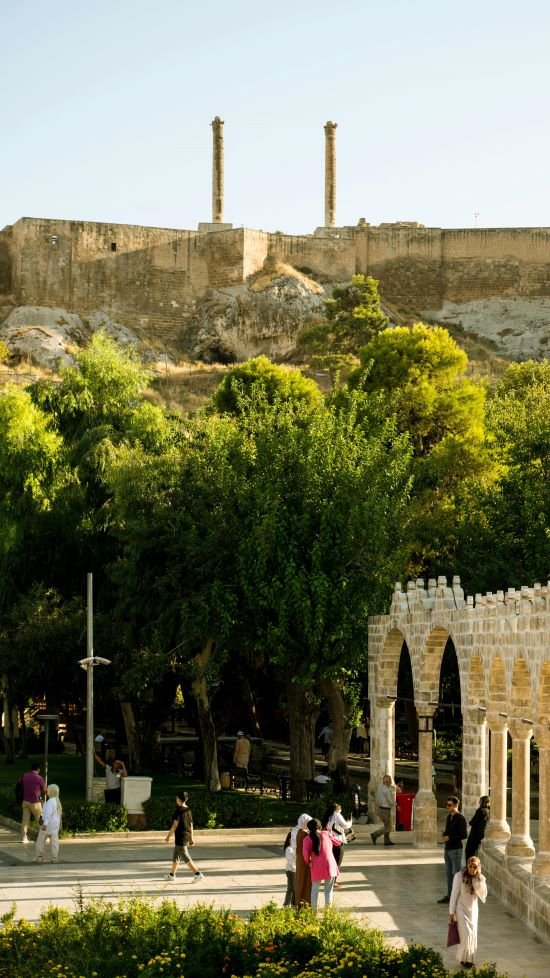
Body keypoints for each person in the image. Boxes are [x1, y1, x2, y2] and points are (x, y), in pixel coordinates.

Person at [449, 855, 487, 968]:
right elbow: (454, 894)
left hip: (473, 911)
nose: (472, 869)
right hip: (461, 909)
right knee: (466, 934)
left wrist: (478, 881)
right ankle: (463, 959)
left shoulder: (480, 878)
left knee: (472, 935)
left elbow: (483, 896)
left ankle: (469, 958)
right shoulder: (459, 876)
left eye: (474, 867)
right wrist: (452, 912)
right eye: (470, 866)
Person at [165, 790, 204, 883]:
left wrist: (168, 836)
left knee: (185, 856)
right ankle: (172, 875)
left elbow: (175, 825)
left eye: (177, 797)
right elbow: (191, 826)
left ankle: (197, 874)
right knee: (176, 855)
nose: (176, 799)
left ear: (178, 799)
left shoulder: (178, 811)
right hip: (186, 836)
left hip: (180, 837)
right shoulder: (188, 810)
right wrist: (191, 838)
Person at [302, 818, 339, 909]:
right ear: (321, 827)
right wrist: (331, 833)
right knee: (328, 890)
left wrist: (309, 862)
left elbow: (305, 855)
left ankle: (313, 911)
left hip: (317, 866)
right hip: (330, 865)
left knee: (315, 889)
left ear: (309, 829)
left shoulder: (307, 839)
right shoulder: (326, 834)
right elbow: (338, 843)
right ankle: (328, 912)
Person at [437, 795, 468, 903]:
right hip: (448, 849)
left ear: (456, 805)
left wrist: (450, 837)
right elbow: (449, 831)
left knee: (457, 874)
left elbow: (464, 835)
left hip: (456, 849)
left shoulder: (460, 818)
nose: (447, 807)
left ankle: (459, 896)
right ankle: (450, 896)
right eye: (447, 805)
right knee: (449, 874)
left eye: (450, 805)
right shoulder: (449, 817)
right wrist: (444, 834)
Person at [323, 801, 352, 882]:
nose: (340, 810)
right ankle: (333, 881)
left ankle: (329, 880)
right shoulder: (337, 814)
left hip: (329, 841)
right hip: (338, 841)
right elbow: (345, 825)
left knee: (331, 861)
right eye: (340, 809)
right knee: (337, 861)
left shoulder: (328, 816)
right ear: (337, 809)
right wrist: (350, 822)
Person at [36, 783, 62, 863]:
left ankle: (40, 857)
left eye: (48, 789)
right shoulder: (57, 800)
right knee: (54, 842)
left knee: (41, 841)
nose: (46, 790)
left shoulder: (50, 801)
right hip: (55, 826)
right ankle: (55, 858)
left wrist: (45, 824)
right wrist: (44, 804)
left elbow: (48, 814)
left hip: (48, 825)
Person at [20, 763, 46, 843]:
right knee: (40, 820)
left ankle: (24, 838)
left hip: (25, 801)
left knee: (25, 821)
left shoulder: (24, 776)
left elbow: (20, 785)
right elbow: (44, 790)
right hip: (35, 802)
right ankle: (43, 838)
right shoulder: (39, 778)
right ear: (38, 769)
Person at [291, 812, 313, 907]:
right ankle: (305, 903)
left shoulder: (296, 830)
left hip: (299, 858)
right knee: (306, 881)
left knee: (299, 880)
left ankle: (298, 902)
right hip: (305, 859)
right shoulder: (304, 834)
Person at [371, 774, 397, 846]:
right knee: (388, 827)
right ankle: (374, 835)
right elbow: (390, 800)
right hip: (385, 810)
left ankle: (387, 841)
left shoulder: (380, 787)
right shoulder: (386, 790)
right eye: (390, 781)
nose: (391, 783)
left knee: (387, 825)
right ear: (386, 782)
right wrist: (396, 805)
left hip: (380, 809)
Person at [465, 796, 490, 861]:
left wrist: (469, 822)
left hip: (475, 835)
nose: (479, 802)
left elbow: (473, 822)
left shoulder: (480, 810)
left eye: (480, 801)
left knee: (469, 852)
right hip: (481, 834)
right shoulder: (488, 811)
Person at [282, 829, 295, 907]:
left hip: (292, 870)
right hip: (291, 870)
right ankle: (292, 904)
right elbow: (291, 860)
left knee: (290, 888)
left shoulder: (292, 848)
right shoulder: (289, 849)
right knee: (293, 889)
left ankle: (287, 904)